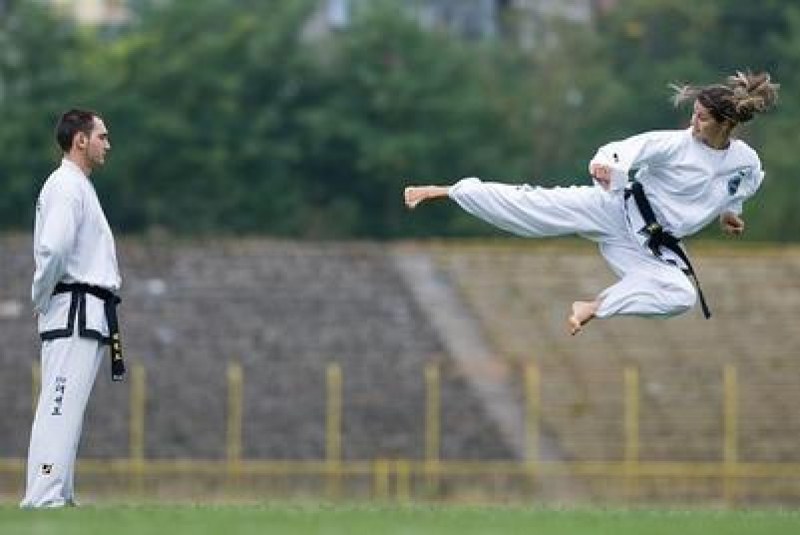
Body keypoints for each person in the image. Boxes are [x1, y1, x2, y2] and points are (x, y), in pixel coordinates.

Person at [404, 71, 779, 335]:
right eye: (693, 115)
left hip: (649, 246)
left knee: (680, 295)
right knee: (533, 210)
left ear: (725, 123)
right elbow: (625, 150)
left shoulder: (744, 160)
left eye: (700, 118)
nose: (693, 124)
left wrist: (731, 212)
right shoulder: (674, 145)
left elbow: (744, 184)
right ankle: (448, 190)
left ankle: (595, 307)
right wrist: (607, 167)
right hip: (615, 208)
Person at [21, 109, 125, 508]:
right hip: (72, 311)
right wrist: (40, 295)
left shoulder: (79, 186)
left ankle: (59, 494)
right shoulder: (64, 185)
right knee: (59, 405)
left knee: (70, 410)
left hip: (86, 312)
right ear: (80, 140)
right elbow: (55, 249)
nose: (107, 144)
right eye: (102, 136)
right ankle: (44, 497)